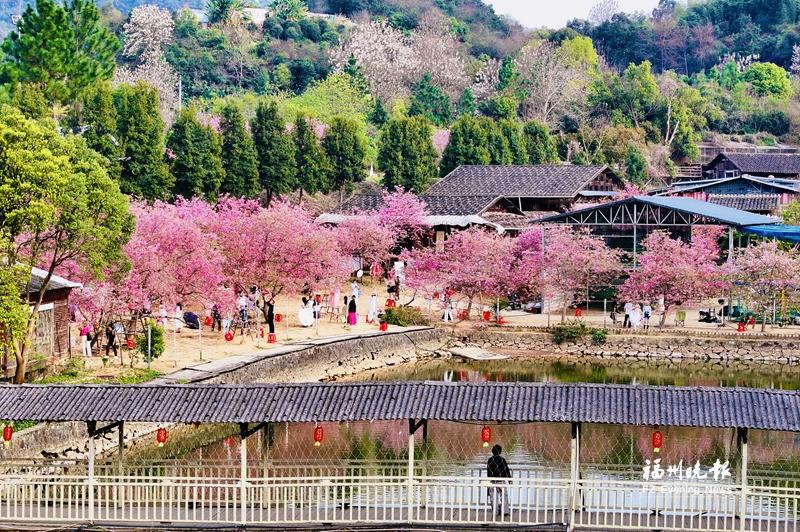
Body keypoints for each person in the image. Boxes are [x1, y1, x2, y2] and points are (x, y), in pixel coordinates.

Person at [487, 444, 511, 516]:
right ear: (500, 452)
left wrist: (489, 480)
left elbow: (489, 471)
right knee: (504, 496)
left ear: (492, 451)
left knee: (493, 497)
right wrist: (509, 479)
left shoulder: (490, 460)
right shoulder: (502, 460)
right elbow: (506, 470)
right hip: (501, 480)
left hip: (492, 481)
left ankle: (495, 511)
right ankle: (505, 511)